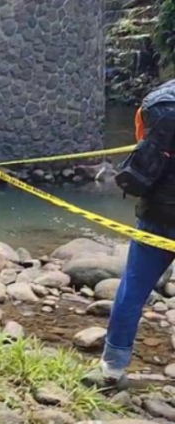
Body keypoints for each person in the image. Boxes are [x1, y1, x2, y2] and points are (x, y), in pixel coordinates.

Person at [83, 80, 175, 390]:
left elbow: (142, 147)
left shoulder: (155, 101)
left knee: (131, 292)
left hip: (156, 215)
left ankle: (111, 370)